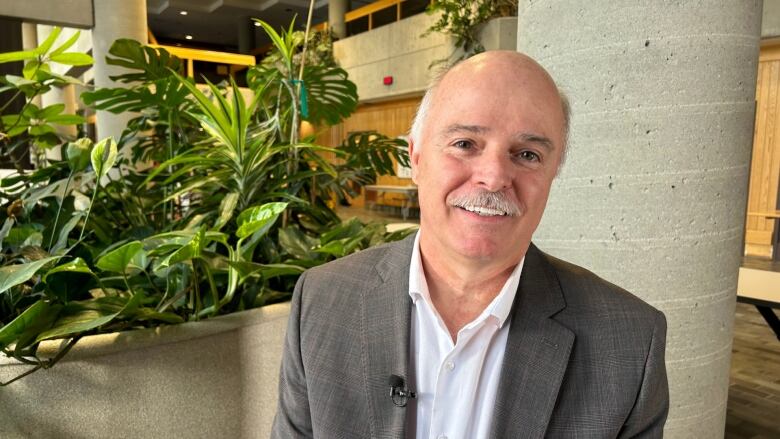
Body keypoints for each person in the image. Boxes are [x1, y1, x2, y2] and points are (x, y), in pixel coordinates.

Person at [272, 51, 669, 438]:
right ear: (415, 155)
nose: (494, 176)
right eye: (465, 143)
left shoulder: (630, 344)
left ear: (553, 173)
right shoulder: (322, 303)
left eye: (528, 154)